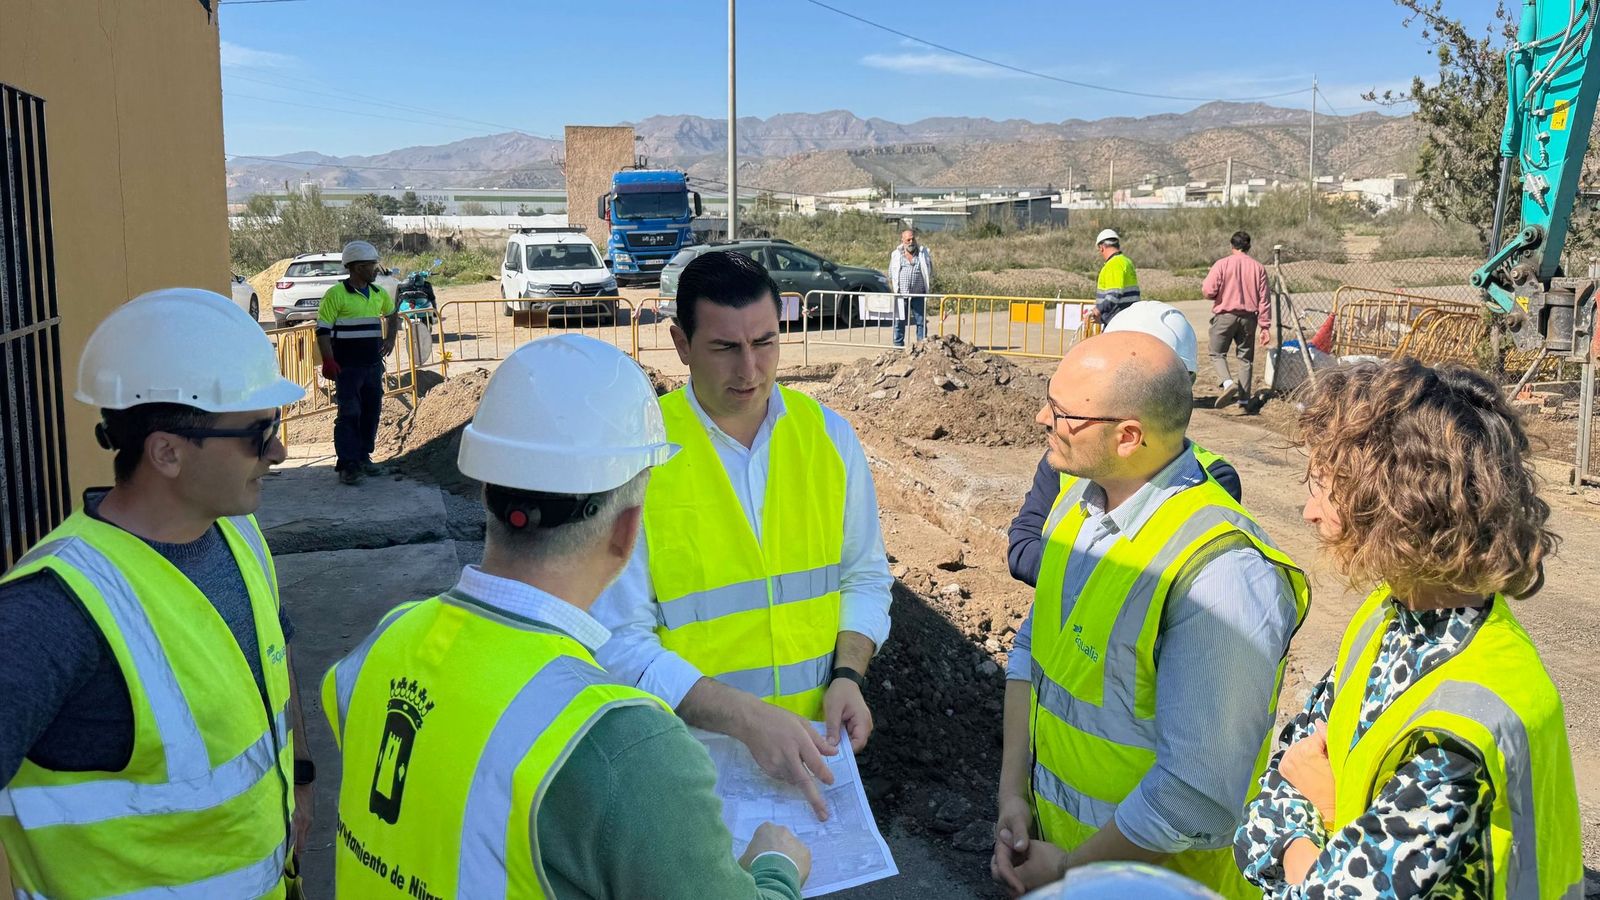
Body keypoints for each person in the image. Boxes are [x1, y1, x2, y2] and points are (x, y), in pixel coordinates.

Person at [322, 334, 811, 898]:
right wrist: (775, 866)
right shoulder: (622, 745)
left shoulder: (387, 642)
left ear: (485, 491)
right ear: (629, 530)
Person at [0, 289, 313, 898]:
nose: (278, 451)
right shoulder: (51, 614)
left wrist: (300, 778)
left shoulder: (239, 533)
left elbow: (278, 657)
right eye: (257, 433)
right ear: (166, 451)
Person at [1234, 359, 1582, 898]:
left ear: (1400, 507)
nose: (1307, 510)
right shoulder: (1390, 612)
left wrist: (1319, 816)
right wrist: (1313, 842)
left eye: (1324, 486)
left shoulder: (1466, 722)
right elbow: (1274, 791)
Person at [990, 331, 1309, 899]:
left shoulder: (1222, 570)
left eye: (1063, 412)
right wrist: (1013, 795)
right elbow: (1029, 655)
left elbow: (1193, 793)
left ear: (1128, 436)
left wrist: (1069, 871)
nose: (1043, 417)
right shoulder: (1075, 507)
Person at [592, 250, 894, 819]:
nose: (750, 370)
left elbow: (864, 575)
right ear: (681, 344)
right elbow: (618, 640)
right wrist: (748, 720)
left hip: (811, 763)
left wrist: (849, 675)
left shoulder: (828, 438)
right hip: (688, 777)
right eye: (726, 348)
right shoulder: (639, 459)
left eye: (765, 343)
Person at [1006, 300, 1242, 588]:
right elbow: (1023, 544)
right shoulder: (1065, 456)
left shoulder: (1213, 477)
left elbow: (1170, 581)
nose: (1044, 419)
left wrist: (1078, 573)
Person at [317, 239, 399, 485]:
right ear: (355, 267)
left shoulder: (378, 293)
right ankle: (348, 464)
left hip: (372, 366)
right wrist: (328, 361)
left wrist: (390, 338)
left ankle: (364, 457)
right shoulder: (336, 295)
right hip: (348, 367)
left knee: (371, 412)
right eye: (370, 265)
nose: (375, 269)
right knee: (349, 413)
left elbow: (392, 313)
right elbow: (322, 331)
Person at [1202, 231, 1272, 410]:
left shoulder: (1222, 264)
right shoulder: (1258, 268)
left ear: (1231, 245)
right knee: (1245, 359)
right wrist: (1265, 327)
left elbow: (1208, 290)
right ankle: (1244, 401)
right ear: (1249, 246)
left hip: (1225, 316)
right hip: (1249, 318)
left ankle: (1227, 383)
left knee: (1217, 353)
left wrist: (1221, 293)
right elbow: (1264, 300)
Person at [889, 228, 934, 347]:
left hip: (918, 294)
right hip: (901, 295)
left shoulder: (923, 254)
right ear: (902, 240)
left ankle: (921, 346)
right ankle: (898, 347)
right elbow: (891, 273)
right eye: (908, 239)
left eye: (913, 239)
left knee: (921, 322)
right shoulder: (896, 255)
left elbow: (930, 270)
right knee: (899, 322)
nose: (911, 242)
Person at [1087, 229, 1140, 326]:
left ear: (1102, 247)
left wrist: (1098, 310)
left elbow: (1114, 295)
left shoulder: (1114, 264)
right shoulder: (1126, 262)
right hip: (1129, 318)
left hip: (1117, 322)